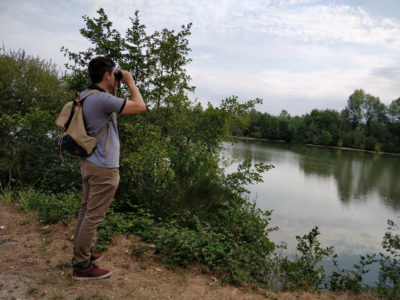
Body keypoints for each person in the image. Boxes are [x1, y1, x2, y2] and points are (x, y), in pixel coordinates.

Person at [71, 56, 146, 280]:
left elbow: (111, 110)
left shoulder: (87, 96)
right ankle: (81, 266)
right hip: (103, 167)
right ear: (107, 75)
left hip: (91, 163)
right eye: (113, 74)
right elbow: (140, 106)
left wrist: (116, 84)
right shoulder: (100, 99)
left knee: (86, 212)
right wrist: (130, 81)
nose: (116, 77)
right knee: (93, 216)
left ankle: (82, 255)